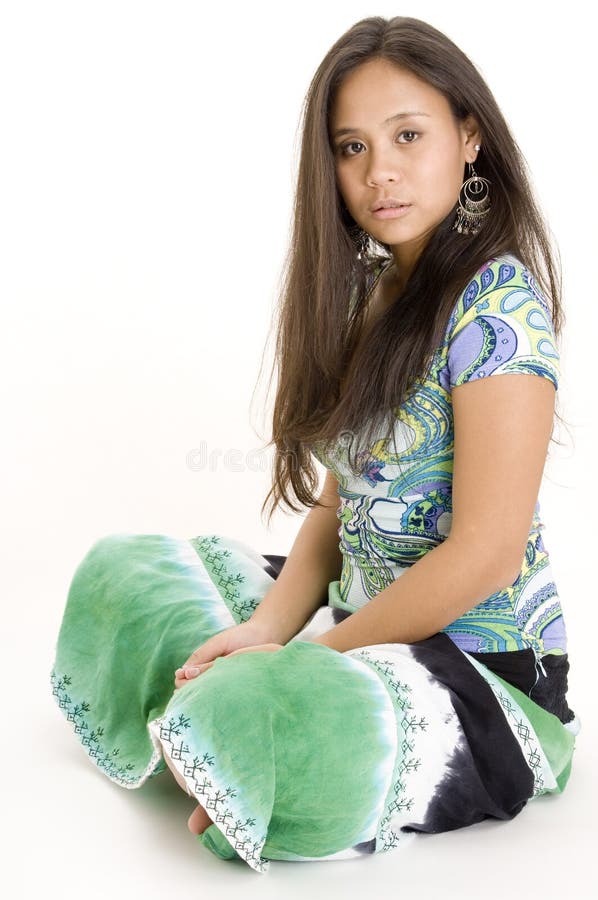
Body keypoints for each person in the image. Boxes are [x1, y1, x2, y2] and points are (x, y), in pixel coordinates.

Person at [50, 15, 581, 874]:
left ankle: (236, 735)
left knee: (262, 708)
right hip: (355, 621)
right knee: (126, 574)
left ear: (469, 136)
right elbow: (337, 510)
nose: (381, 172)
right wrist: (269, 628)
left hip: (483, 676)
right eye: (352, 146)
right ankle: (223, 735)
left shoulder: (501, 309)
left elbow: (485, 553)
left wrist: (308, 660)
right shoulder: (368, 294)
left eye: (409, 134)